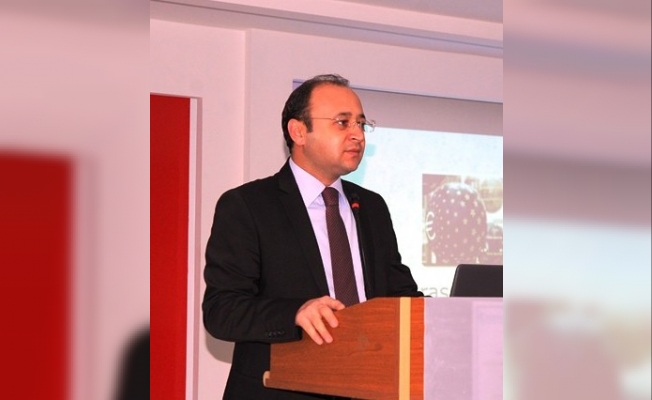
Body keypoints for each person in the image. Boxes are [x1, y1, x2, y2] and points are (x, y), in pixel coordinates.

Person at [202, 73, 423, 399]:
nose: (357, 135)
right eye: (342, 123)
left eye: (361, 124)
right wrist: (294, 313)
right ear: (298, 131)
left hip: (368, 387)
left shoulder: (371, 207)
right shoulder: (248, 206)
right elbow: (222, 311)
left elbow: (400, 296)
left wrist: (450, 318)